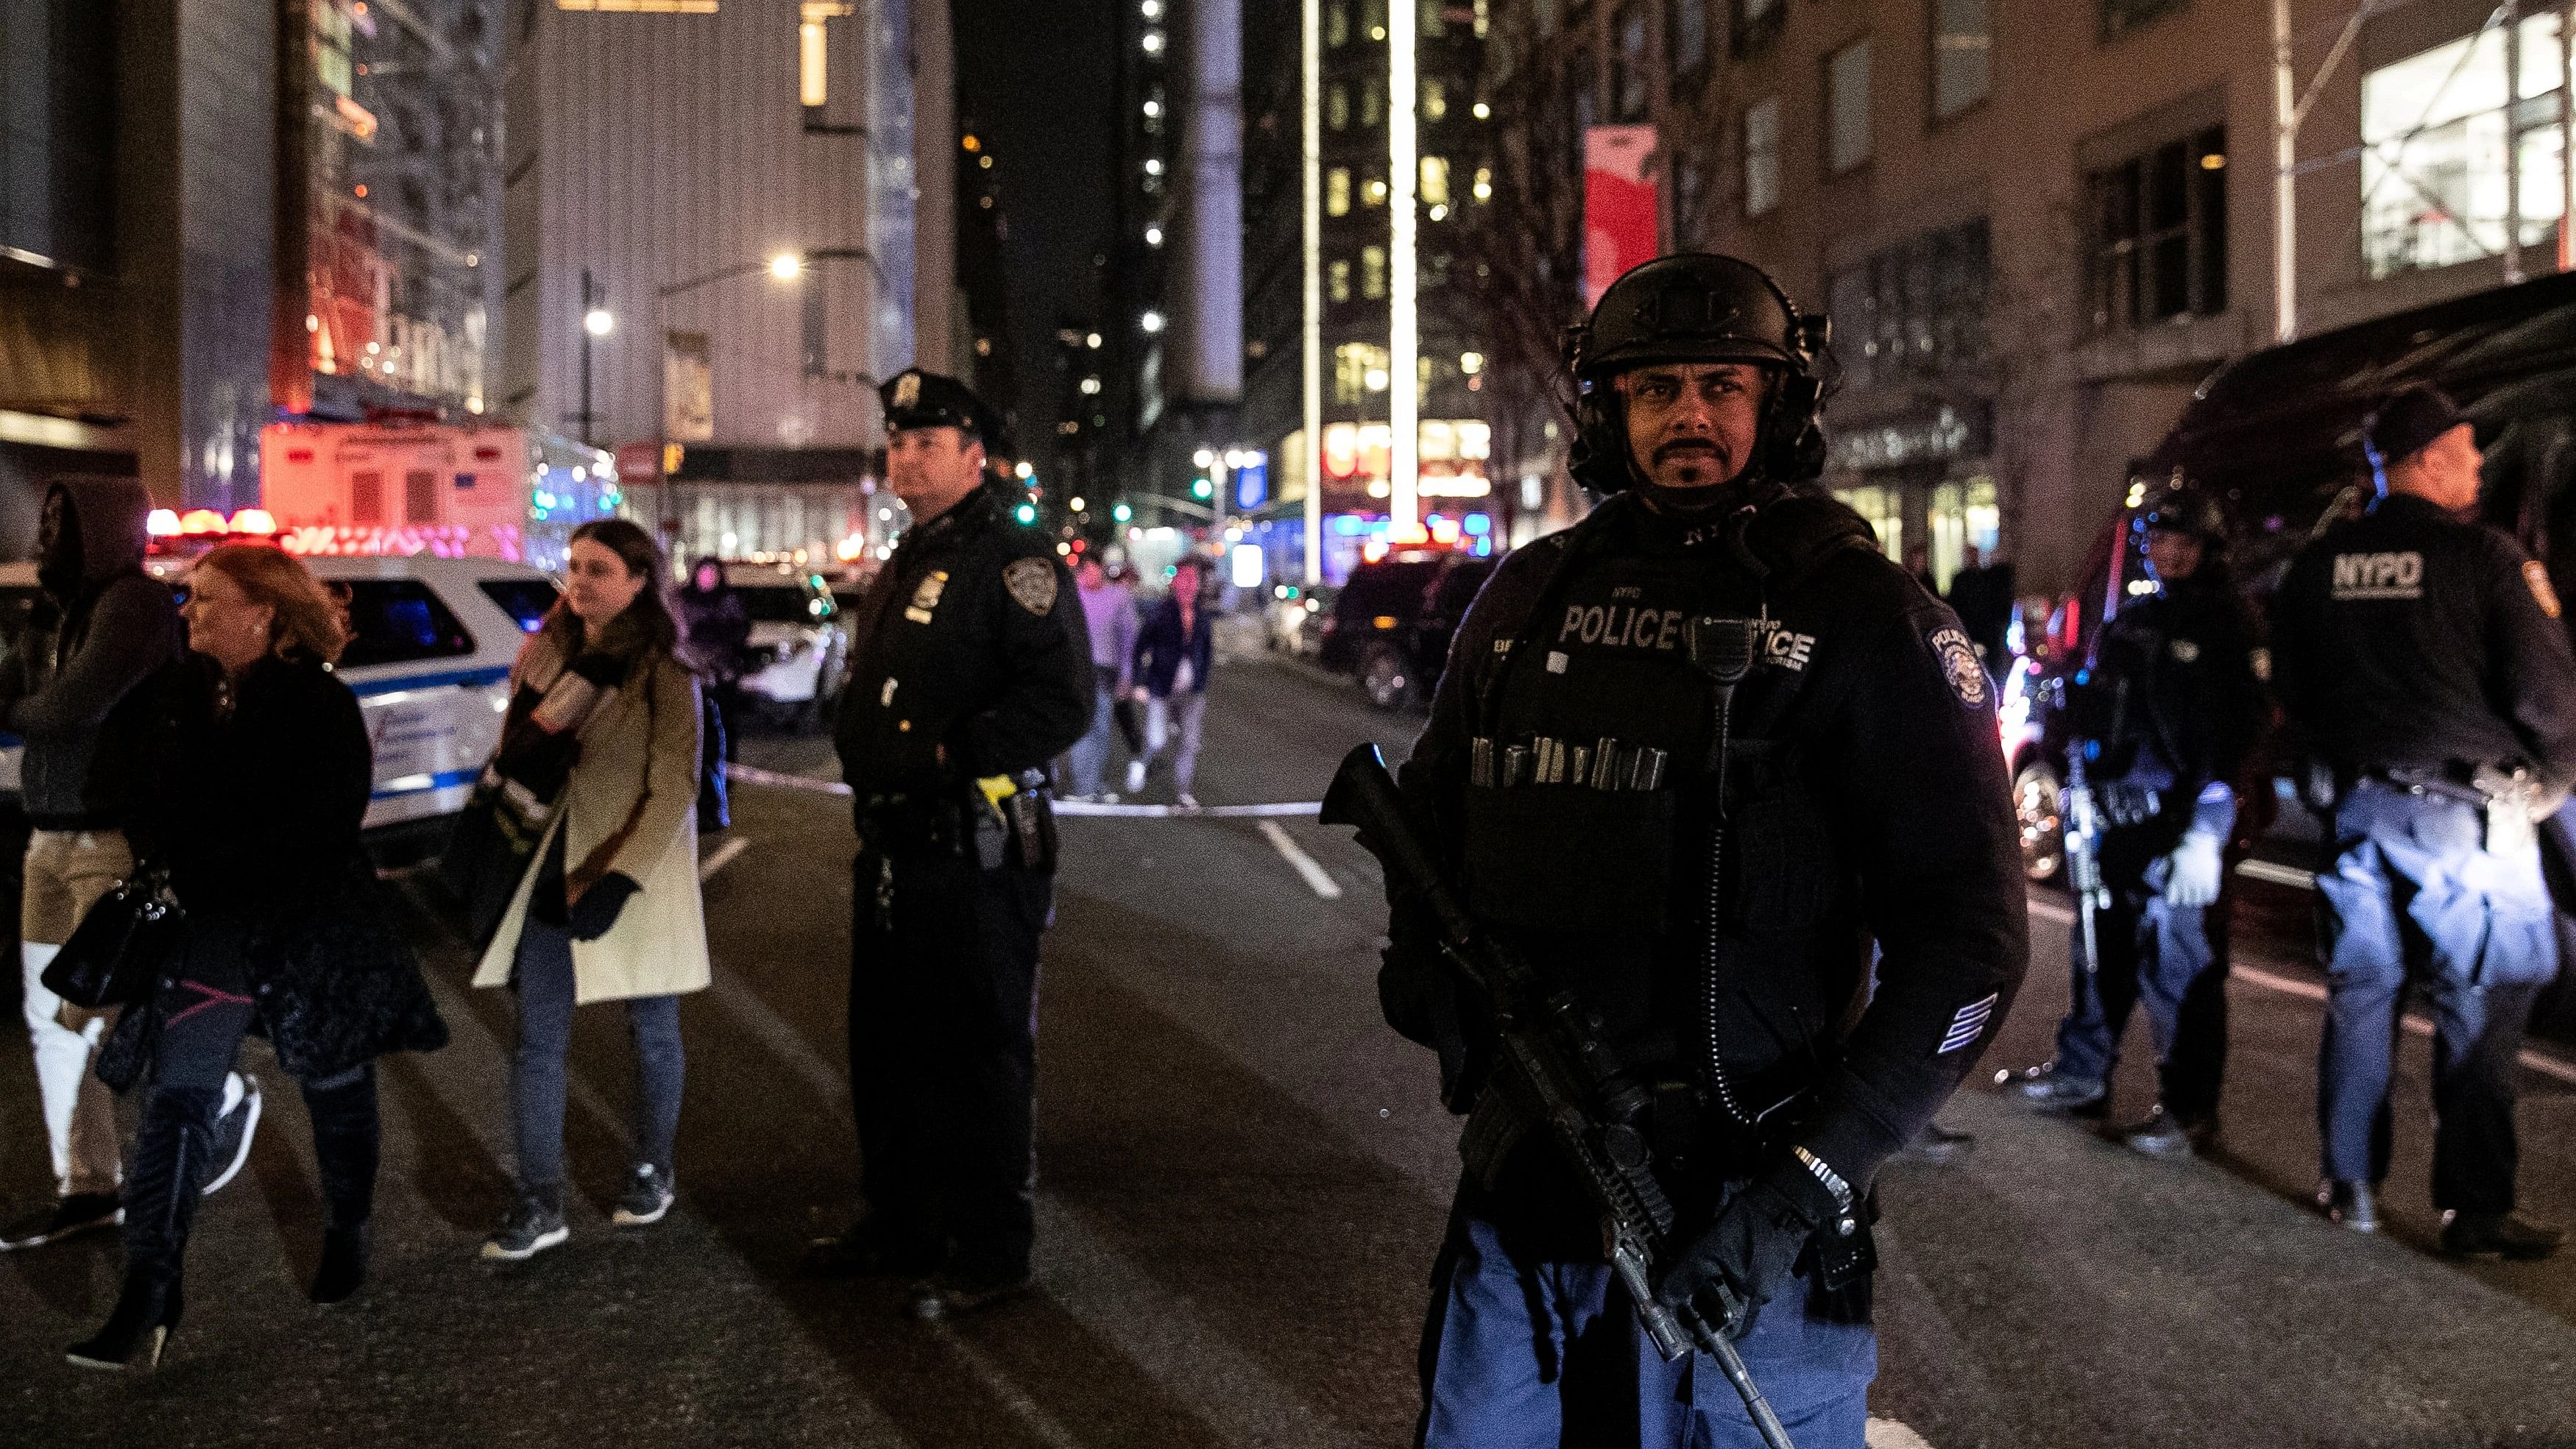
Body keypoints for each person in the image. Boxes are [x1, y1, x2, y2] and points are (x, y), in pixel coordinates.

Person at [1377, 253, 2026, 1446]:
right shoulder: (1526, 601)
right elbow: (1427, 823)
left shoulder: (1867, 619)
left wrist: (1808, 1184)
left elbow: (1971, 947)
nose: (1690, 412)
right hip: (1533, 1182)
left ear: (1777, 404)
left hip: (1755, 1200)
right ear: (1607, 411)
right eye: (1655, 386)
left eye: (1723, 384)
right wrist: (1426, 979)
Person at [67, 544, 447, 1367]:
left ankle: (347, 1226)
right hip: (209, 928)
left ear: (262, 612)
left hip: (308, 926)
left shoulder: (316, 704)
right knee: (178, 1094)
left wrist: (211, 859)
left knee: (335, 1082)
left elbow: (322, 826)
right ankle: (150, 1288)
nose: (189, 611)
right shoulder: (176, 695)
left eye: (206, 598)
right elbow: (123, 784)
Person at [810, 368, 1091, 1319]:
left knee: (977, 1051)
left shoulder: (1012, 557)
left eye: (926, 443)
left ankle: (990, 1247)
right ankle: (902, 1222)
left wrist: (953, 751)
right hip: (894, 847)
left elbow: (1063, 700)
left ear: (976, 456)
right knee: (886, 1047)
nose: (905, 457)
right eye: (897, 442)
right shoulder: (913, 553)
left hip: (972, 849)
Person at [2271, 384, 2576, 1256]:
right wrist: (2546, 788)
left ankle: (2350, 1185)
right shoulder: (2483, 559)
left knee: (2361, 1000)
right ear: (2426, 459)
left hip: (2358, 815)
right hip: (2466, 824)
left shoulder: (2318, 564)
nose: (2477, 465)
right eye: (2466, 450)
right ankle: (2474, 1208)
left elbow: (2289, 690)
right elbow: (2548, 695)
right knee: (2479, 1006)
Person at [1, 478, 261, 1255]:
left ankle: (220, 1093)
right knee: (50, 1022)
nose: (45, 530)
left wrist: (20, 707)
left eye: (61, 518)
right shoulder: (63, 606)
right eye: (45, 517)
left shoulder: (133, 605)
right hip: (48, 837)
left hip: (105, 838)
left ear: (103, 527)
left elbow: (69, 705)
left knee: (104, 1013)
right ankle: (85, 1185)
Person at [1999, 489, 2268, 1156]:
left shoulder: (2230, 624)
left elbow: (2245, 729)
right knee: (2099, 955)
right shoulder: (2131, 619)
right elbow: (2093, 712)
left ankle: (2187, 1109)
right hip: (2113, 814)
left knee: (2182, 968)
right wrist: (2081, 787)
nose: (2168, 553)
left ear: (2209, 548)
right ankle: (2083, 1075)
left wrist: (2210, 819)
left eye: (2183, 541)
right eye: (2159, 541)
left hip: (2179, 818)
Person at [470, 519, 709, 1261]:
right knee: (537, 1039)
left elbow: (673, 786)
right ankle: (539, 1199)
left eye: (598, 569)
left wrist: (620, 877)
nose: (579, 582)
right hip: (546, 860)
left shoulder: (664, 673)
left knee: (651, 1028)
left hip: (626, 870)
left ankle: (650, 1168)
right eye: (574, 567)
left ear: (640, 581)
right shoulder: (546, 653)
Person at [1126, 558, 1215, 809]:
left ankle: (1183, 791)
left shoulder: (1202, 615)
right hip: (1161, 685)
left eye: (1193, 581)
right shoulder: (1160, 612)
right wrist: (1139, 682)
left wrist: (1202, 678)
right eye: (1184, 580)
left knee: (1189, 741)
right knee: (1157, 739)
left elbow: (1206, 650)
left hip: (1193, 690)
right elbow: (1140, 648)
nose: (1189, 586)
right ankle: (1141, 763)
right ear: (1175, 583)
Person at [1064, 556, 1137, 801]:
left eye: (1096, 571)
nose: (1092, 577)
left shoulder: (1117, 597)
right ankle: (1084, 786)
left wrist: (1127, 674)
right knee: (1084, 729)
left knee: (1102, 730)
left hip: (1106, 672)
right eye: (1087, 572)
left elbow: (1128, 638)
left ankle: (1094, 783)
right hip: (1079, 672)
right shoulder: (1072, 599)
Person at [678, 556, 751, 762]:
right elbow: (676, 633)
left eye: (713, 574)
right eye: (704, 573)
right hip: (690, 672)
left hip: (721, 674)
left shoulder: (728, 601)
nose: (708, 578)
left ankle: (724, 768)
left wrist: (719, 632)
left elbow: (740, 632)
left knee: (722, 722)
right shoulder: (683, 600)